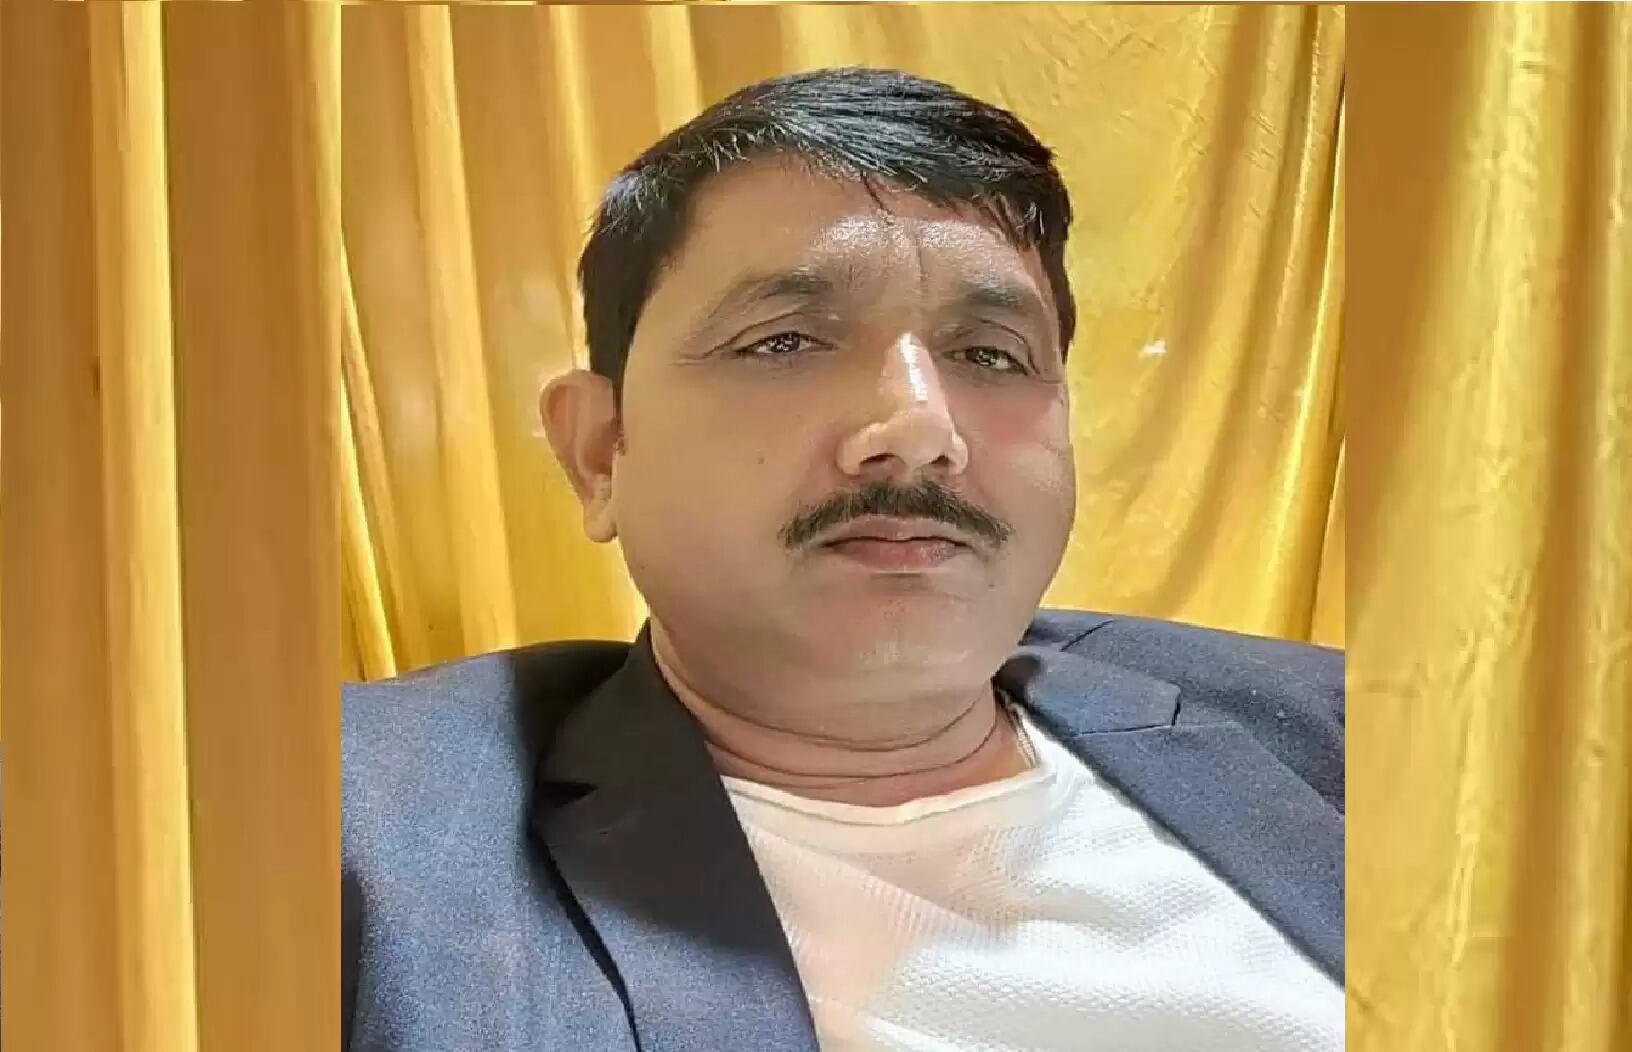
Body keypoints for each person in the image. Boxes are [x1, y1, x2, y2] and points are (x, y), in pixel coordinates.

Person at [342, 67, 1344, 1052]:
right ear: (601, 452)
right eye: (783, 341)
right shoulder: (358, 826)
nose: (919, 429)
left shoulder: (1346, 732)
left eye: (990, 353)